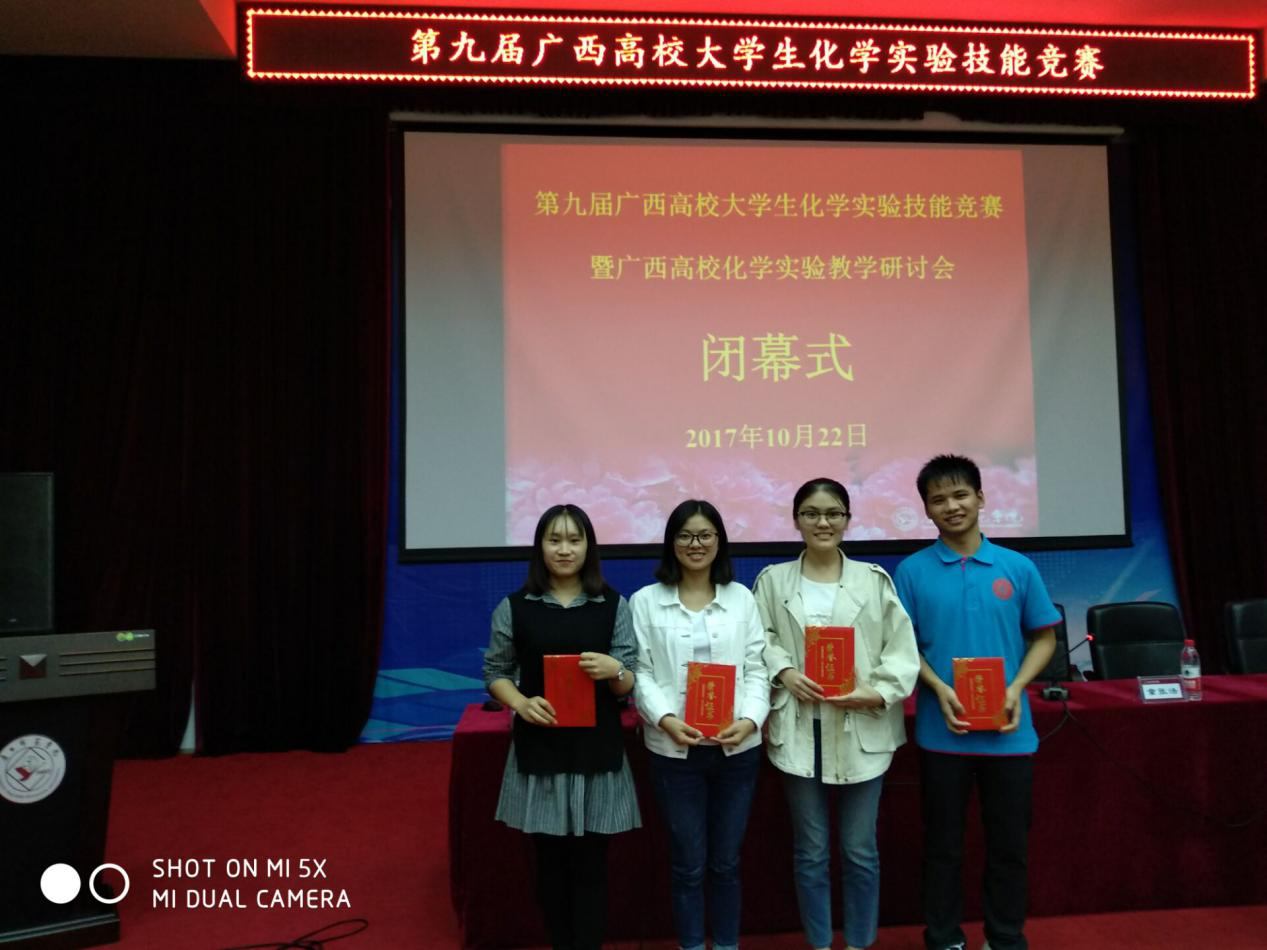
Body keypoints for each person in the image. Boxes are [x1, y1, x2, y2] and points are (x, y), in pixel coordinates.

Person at [893, 455, 1059, 950]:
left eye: (960, 494)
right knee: (942, 848)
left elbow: (1044, 638)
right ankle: (944, 937)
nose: (952, 506)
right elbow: (901, 648)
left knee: (1009, 847)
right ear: (926, 510)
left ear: (981, 498)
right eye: (938, 499)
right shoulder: (911, 572)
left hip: (1010, 734)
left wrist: (1015, 688)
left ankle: (1005, 937)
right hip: (943, 734)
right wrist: (938, 688)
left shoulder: (1017, 567)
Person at [754, 477, 920, 950]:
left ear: (848, 519)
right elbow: (759, 638)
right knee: (811, 852)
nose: (822, 522)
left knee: (859, 850)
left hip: (861, 726)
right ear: (796, 520)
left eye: (833, 513)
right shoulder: (772, 580)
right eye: (811, 513)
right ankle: (820, 943)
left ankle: (860, 942)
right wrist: (784, 671)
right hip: (799, 726)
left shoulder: (874, 580)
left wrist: (876, 692)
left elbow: (901, 651)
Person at [483, 504, 640, 950]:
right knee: (549, 868)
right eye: (554, 540)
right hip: (542, 753)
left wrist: (614, 670)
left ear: (589, 547)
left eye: (574, 539)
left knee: (592, 867)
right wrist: (519, 702)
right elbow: (495, 672)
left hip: (597, 754)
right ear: (540, 547)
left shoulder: (613, 605)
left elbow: (628, 681)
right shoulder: (515, 607)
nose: (565, 549)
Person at [631, 500, 770, 950]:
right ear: (671, 542)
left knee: (726, 863)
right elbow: (641, 672)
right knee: (688, 865)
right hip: (675, 753)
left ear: (719, 542)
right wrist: (666, 719)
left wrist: (750, 720)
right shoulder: (646, 601)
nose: (696, 544)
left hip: (736, 751)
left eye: (705, 535)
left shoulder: (741, 597)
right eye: (686, 535)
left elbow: (757, 668)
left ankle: (727, 944)